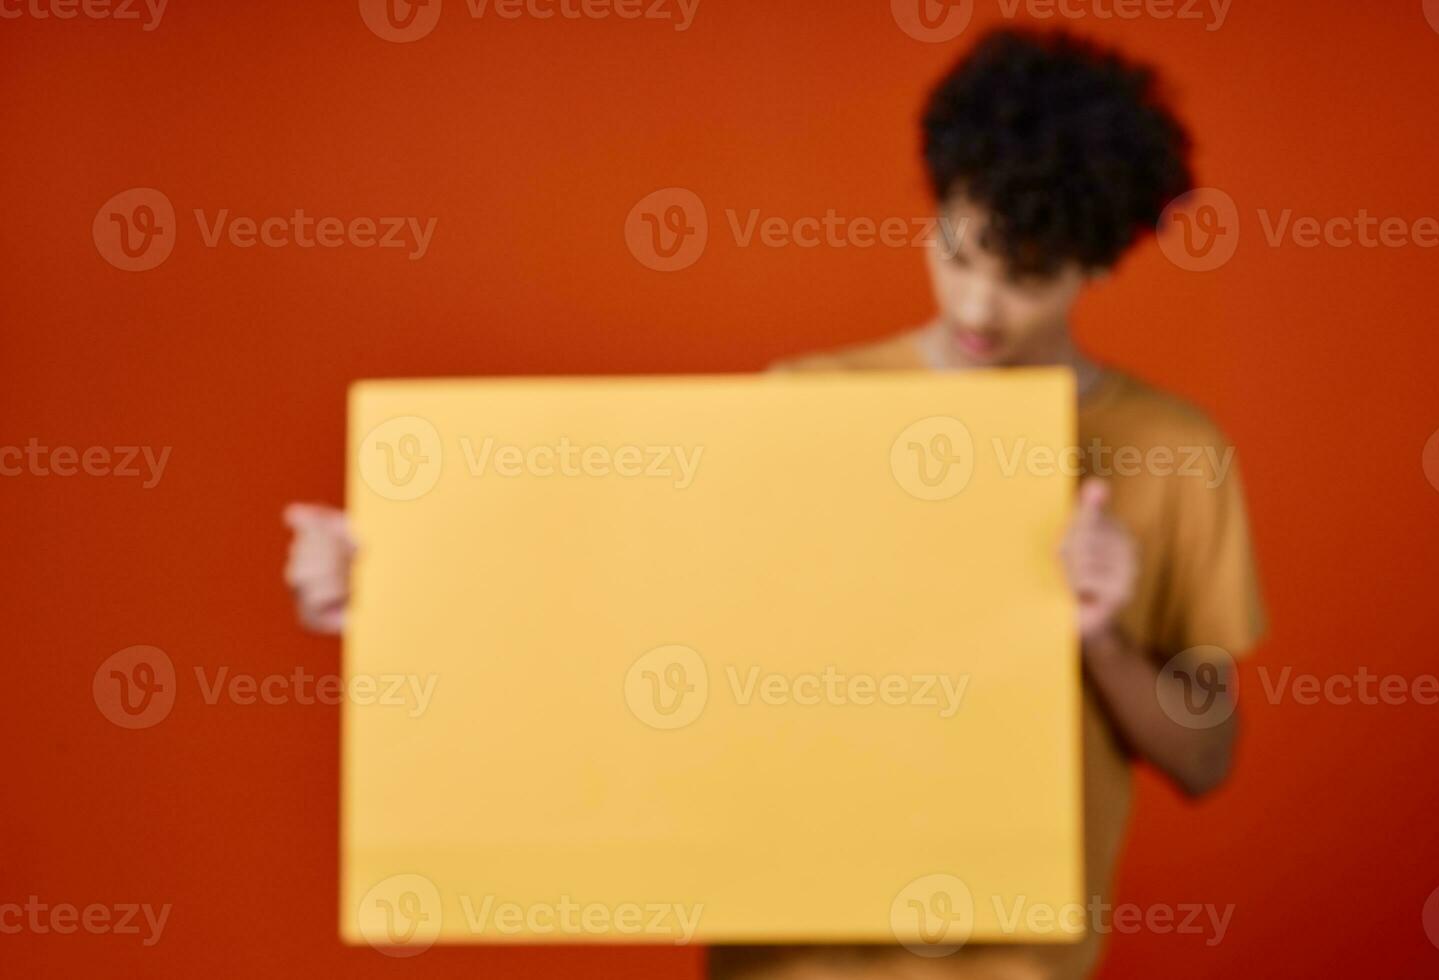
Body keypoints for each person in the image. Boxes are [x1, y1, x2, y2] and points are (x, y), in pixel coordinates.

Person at [285, 28, 1265, 979]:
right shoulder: (805, 401)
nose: (976, 307)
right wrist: (392, 577)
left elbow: (1207, 757)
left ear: (1096, 265)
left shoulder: (1175, 454)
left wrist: (1100, 636)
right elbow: (617, 633)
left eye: (1025, 277)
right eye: (958, 254)